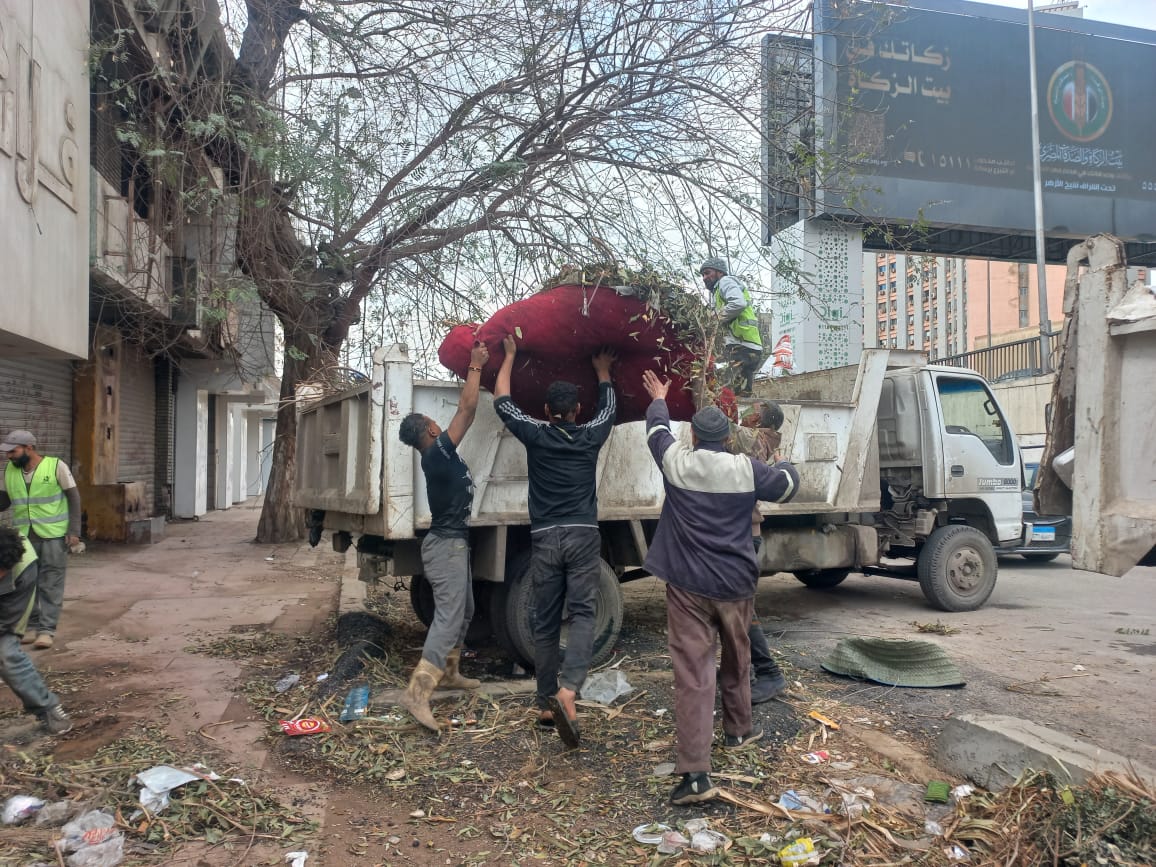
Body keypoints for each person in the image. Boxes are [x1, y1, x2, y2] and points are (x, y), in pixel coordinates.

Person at [640, 371, 799, 805]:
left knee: (694, 673)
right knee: (738, 654)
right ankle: (739, 730)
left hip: (689, 586)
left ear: (692, 434)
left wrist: (659, 398)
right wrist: (784, 461)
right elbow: (787, 486)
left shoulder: (678, 462)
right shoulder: (746, 469)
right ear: (729, 436)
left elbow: (655, 431)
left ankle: (695, 776)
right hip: (735, 584)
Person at [493, 335, 617, 749]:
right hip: (583, 535)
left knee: (544, 620)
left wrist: (509, 356)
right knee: (582, 614)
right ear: (577, 411)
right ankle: (569, 691)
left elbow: (502, 402)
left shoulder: (536, 434)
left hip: (545, 537)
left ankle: (546, 700)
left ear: (547, 412)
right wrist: (602, 373)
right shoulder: (590, 436)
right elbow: (610, 410)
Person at [396, 342, 491, 731]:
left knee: (464, 611)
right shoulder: (437, 454)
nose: (441, 423)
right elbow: (466, 411)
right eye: (434, 420)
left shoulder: (439, 457)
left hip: (453, 545)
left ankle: (450, 672)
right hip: (446, 546)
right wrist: (475, 366)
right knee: (450, 618)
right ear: (432, 429)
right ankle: (417, 695)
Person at [0, 431, 81, 650]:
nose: (9, 456)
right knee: (25, 583)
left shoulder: (56, 466)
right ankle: (30, 626)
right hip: (23, 536)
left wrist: (74, 530)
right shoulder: (10, 470)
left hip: (53, 534)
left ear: (29, 448)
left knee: (51, 583)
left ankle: (46, 630)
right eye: (7, 452)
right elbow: (4, 500)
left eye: (13, 451)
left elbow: (74, 498)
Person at [731, 401, 790, 704]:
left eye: (752, 410)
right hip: (742, 533)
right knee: (734, 609)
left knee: (742, 610)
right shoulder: (759, 440)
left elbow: (717, 423)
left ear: (761, 420)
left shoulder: (751, 440)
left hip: (744, 535)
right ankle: (741, 669)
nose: (744, 411)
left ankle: (770, 674)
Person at [0, 526, 72, 734]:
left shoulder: (24, 568)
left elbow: (6, 621)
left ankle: (47, 708)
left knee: (7, 654)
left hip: (8, 605)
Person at [701, 257, 762, 397]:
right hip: (751, 348)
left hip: (741, 346)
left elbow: (738, 303)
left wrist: (715, 319)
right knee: (741, 394)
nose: (704, 277)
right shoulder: (718, 291)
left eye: (708, 272)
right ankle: (740, 415)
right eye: (703, 274)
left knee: (723, 388)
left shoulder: (725, 282)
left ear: (720, 272)